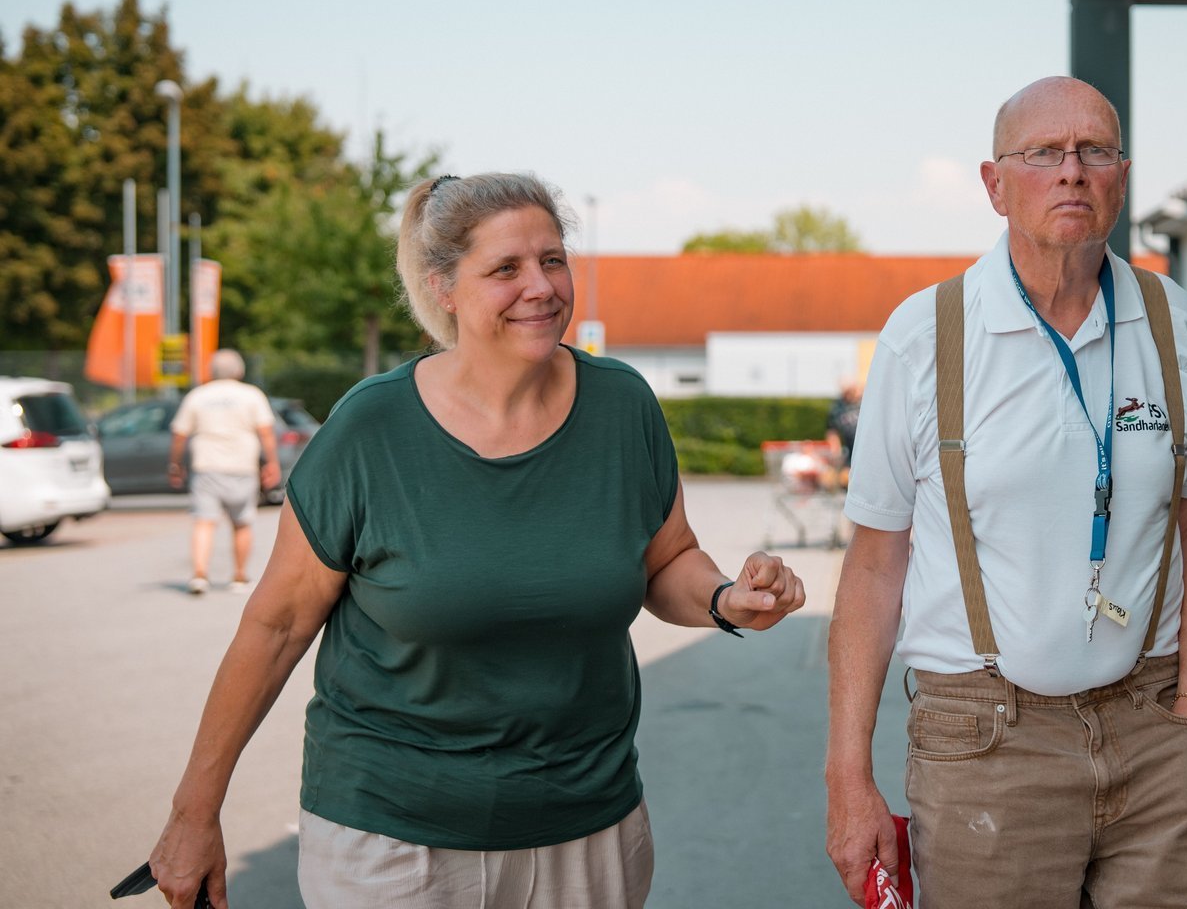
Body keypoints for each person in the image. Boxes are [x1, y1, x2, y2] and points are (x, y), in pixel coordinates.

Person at [148, 173, 807, 909]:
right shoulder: (371, 430)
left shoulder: (622, 406)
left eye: (552, 259)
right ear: (445, 290)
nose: (542, 286)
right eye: (506, 269)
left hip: (587, 828)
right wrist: (193, 813)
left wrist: (725, 598)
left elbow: (668, 558)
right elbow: (275, 625)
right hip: (392, 842)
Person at [825, 77, 1187, 908]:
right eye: (1043, 153)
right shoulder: (925, 337)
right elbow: (874, 570)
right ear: (995, 184)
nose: (1072, 172)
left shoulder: (1174, 322)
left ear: (1122, 175)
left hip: (1158, 729)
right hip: (985, 742)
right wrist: (848, 777)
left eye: (1096, 151)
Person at [168, 349, 280, 595]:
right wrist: (272, 463)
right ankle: (239, 577)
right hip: (242, 466)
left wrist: (175, 464)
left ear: (212, 371)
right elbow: (266, 432)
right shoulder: (252, 395)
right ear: (239, 371)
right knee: (241, 523)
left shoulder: (198, 396)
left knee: (204, 523)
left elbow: (180, 433)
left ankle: (199, 575)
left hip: (206, 466)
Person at [825, 378, 863, 487]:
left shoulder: (864, 403)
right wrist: (835, 450)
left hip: (866, 448)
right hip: (851, 450)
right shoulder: (838, 407)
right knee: (844, 479)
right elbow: (832, 430)